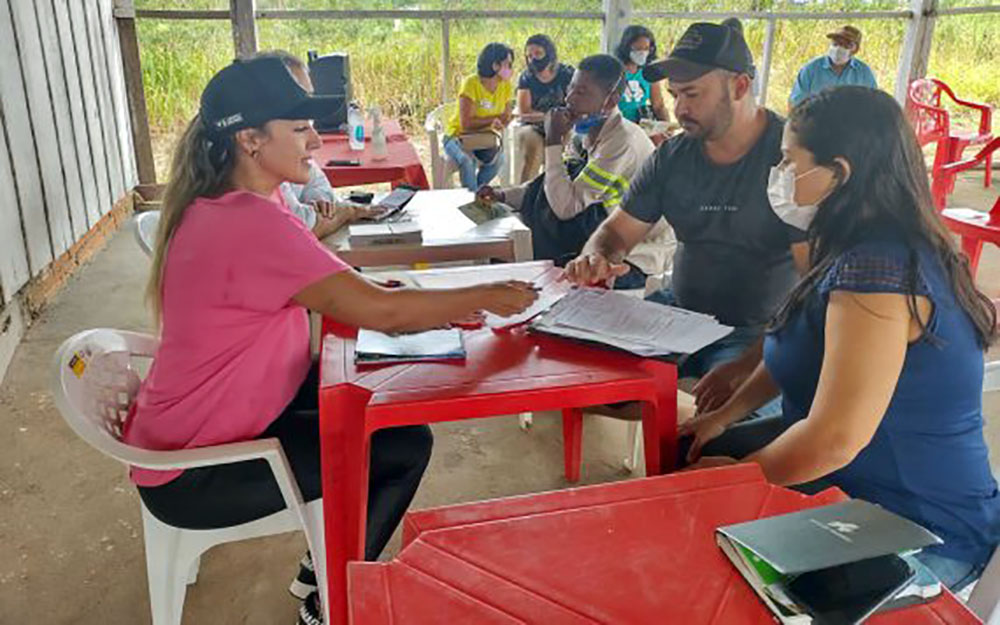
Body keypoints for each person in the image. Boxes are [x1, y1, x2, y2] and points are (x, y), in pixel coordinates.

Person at [124, 57, 536, 625]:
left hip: (217, 424)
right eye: (299, 129)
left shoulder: (249, 203)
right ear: (249, 138)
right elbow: (380, 311)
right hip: (199, 471)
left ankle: (322, 566)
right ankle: (329, 599)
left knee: (374, 409)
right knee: (401, 447)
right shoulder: (251, 222)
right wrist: (481, 294)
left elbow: (350, 290)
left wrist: (422, 304)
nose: (316, 141)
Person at [678, 86, 1000, 591]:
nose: (779, 177)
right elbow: (797, 344)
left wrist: (733, 481)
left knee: (709, 555)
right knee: (688, 453)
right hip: (860, 486)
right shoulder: (861, 245)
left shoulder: (880, 269)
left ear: (839, 174)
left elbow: (834, 440)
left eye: (789, 163)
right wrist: (724, 416)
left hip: (915, 525)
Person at [566, 20, 808, 411]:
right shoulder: (673, 158)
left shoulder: (790, 159)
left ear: (740, 87)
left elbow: (814, 290)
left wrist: (749, 363)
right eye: (675, 94)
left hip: (761, 333)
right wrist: (597, 255)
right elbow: (616, 232)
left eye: (692, 94)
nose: (680, 109)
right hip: (675, 315)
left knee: (731, 441)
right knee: (579, 379)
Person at [479, 54, 672, 290]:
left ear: (611, 100)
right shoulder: (585, 132)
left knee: (533, 271)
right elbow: (553, 183)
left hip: (631, 255)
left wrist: (552, 141)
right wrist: (503, 196)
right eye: (571, 88)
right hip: (592, 237)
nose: (569, 98)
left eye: (582, 92)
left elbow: (565, 208)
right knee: (507, 243)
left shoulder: (622, 141)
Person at [257, 50, 377, 239]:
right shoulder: (257, 183)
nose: (316, 141)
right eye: (299, 127)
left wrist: (318, 200)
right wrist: (347, 211)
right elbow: (303, 229)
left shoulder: (275, 160)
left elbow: (315, 177)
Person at [444, 42, 515, 191]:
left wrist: (504, 121)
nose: (511, 69)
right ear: (495, 66)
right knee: (466, 160)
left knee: (499, 160)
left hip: (482, 138)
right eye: (508, 65)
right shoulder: (471, 83)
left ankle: (475, 190)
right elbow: (466, 124)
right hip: (456, 136)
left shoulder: (506, 86)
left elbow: (505, 117)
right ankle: (473, 198)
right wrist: (493, 120)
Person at [514, 34, 575, 183]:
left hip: (563, 125)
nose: (533, 59)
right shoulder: (526, 78)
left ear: (549, 52)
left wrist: (555, 118)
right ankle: (526, 195)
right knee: (534, 150)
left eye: (538, 54)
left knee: (561, 153)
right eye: (529, 56)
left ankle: (555, 194)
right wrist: (549, 115)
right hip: (533, 127)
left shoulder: (566, 73)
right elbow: (525, 112)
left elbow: (574, 105)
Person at [788, 25, 878, 108]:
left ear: (856, 49)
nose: (839, 48)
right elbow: (796, 103)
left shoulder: (864, 73)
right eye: (835, 43)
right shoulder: (811, 69)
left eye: (846, 45)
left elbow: (873, 105)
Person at [614, 25, 670, 124]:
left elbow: (658, 106)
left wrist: (667, 127)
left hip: (642, 127)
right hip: (618, 126)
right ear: (627, 48)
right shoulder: (614, 72)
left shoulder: (649, 73)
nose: (642, 53)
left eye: (646, 49)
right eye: (638, 49)